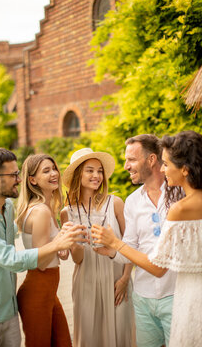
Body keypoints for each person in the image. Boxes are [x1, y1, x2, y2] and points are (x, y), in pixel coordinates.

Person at [0, 148, 85, 347]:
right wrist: (57, 243)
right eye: (13, 175)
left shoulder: (8, 208)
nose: (19, 179)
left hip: (9, 309)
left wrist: (57, 245)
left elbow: (33, 242)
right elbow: (11, 260)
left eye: (18, 174)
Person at [92, 130, 202, 346]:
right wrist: (113, 251)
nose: (126, 166)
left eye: (131, 159)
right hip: (143, 297)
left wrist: (115, 242)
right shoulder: (132, 202)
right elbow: (131, 247)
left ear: (151, 159)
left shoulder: (182, 196)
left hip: (178, 294)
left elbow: (159, 265)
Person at [61, 148, 136, 347]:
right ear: (78, 174)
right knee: (90, 336)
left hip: (117, 279)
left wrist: (125, 279)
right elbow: (76, 259)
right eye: (90, 170)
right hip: (85, 281)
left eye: (100, 171)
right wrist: (76, 241)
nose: (97, 176)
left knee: (122, 333)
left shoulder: (116, 203)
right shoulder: (67, 212)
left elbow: (130, 245)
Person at [16, 154, 72, 347]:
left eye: (54, 168)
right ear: (32, 180)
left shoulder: (48, 207)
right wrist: (62, 238)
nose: (53, 173)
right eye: (45, 171)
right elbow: (39, 261)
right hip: (38, 289)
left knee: (63, 342)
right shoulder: (41, 211)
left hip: (49, 291)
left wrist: (61, 248)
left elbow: (49, 250)